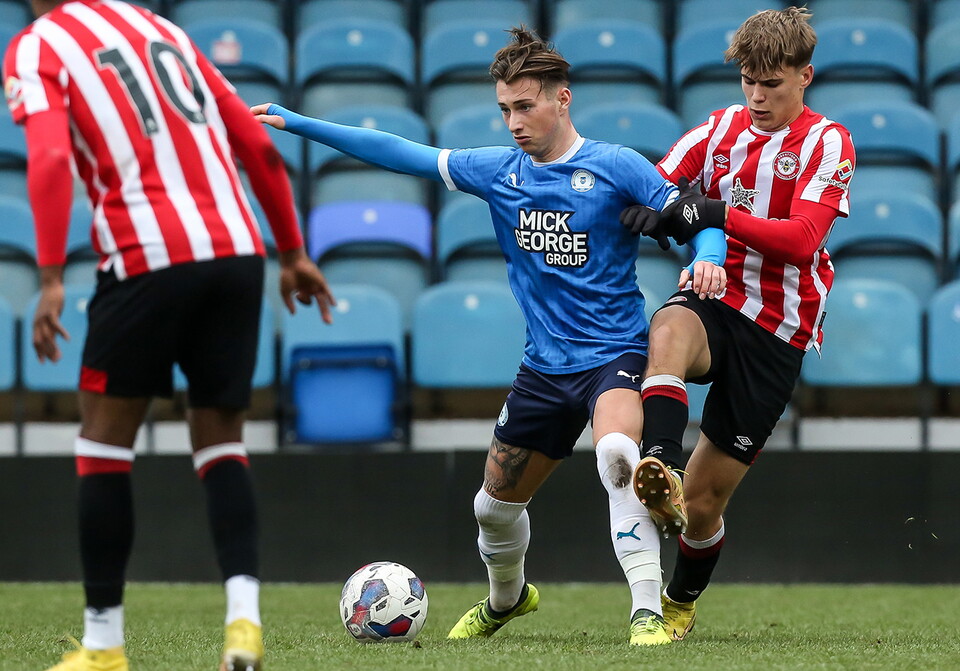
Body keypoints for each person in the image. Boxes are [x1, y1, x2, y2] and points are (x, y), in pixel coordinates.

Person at [253, 26, 727, 645]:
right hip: (543, 368)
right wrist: (300, 123)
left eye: (525, 106)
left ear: (563, 99)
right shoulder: (499, 171)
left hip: (615, 353)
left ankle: (646, 612)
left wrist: (708, 256)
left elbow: (694, 218)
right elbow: (403, 153)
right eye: (504, 109)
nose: (513, 122)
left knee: (617, 459)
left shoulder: (614, 167)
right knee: (492, 508)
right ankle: (508, 599)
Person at [4, 1, 335, 669]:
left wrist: (47, 277)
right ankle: (244, 622)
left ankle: (103, 645)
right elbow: (257, 145)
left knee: (102, 443)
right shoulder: (163, 29)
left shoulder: (38, 45)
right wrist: (293, 250)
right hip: (239, 251)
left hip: (145, 255)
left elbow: (45, 160)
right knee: (221, 442)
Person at [619, 6, 856, 641]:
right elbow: (657, 186)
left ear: (805, 76)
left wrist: (710, 211)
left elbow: (803, 239)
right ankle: (659, 460)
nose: (756, 96)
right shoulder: (718, 129)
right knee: (666, 331)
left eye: (771, 83)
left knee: (701, 509)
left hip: (780, 328)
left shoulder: (828, 141)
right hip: (715, 301)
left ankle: (679, 603)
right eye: (748, 81)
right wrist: (656, 213)